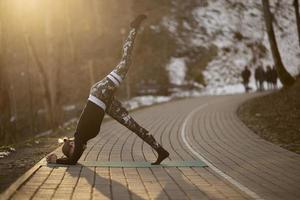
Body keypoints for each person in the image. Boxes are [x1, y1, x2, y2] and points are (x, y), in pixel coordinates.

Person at [46, 15, 169, 165]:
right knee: (133, 126)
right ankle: (161, 151)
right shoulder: (83, 139)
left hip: (100, 92)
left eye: (72, 148)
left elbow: (73, 161)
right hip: (105, 103)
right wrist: (61, 158)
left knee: (125, 62)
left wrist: (56, 161)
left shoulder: (79, 136)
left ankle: (133, 27)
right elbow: (73, 159)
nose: (76, 149)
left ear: (72, 147)